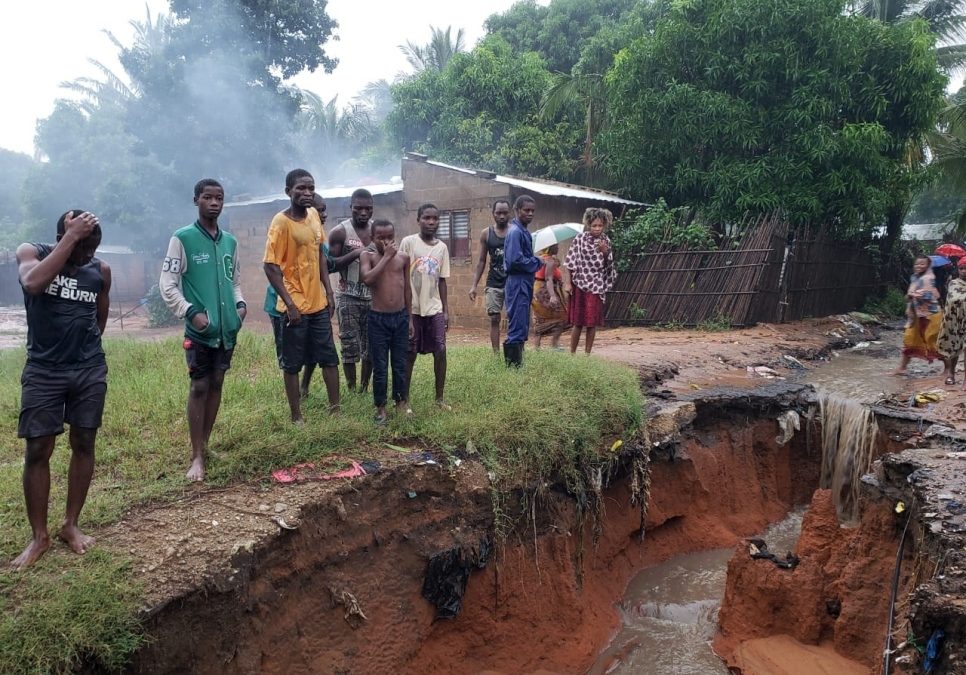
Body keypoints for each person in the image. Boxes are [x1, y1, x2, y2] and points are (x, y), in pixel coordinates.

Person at [12, 209, 111, 569]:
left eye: (92, 249)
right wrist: (71, 239)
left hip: (88, 369)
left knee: (84, 442)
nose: (86, 256)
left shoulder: (99, 271)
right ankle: (39, 536)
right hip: (43, 371)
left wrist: (83, 352)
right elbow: (33, 284)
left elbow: (99, 316)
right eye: (81, 247)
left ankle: (71, 524)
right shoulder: (31, 253)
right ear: (62, 236)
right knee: (38, 447)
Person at [160, 179, 245, 482]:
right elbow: (167, 284)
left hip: (227, 332)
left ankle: (206, 446)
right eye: (207, 197)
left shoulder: (230, 242)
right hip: (200, 333)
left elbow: (234, 281)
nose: (214, 202)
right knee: (199, 386)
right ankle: (196, 456)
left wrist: (240, 307)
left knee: (218, 382)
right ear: (196, 199)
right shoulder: (182, 239)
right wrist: (191, 312)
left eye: (219, 197)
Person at [263, 169, 340, 422]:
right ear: (288, 191)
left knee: (328, 356)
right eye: (301, 188)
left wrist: (328, 291)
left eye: (311, 188)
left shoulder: (315, 215)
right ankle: (297, 416)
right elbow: (271, 266)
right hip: (293, 304)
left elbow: (319, 253)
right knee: (293, 362)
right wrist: (289, 304)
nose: (307, 193)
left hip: (317, 302)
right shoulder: (281, 222)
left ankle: (335, 409)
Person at [400, 203, 451, 409]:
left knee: (440, 352)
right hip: (412, 308)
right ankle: (405, 401)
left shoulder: (442, 248)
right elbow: (401, 275)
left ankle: (439, 399)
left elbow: (442, 280)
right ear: (418, 219)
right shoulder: (408, 243)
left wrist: (446, 310)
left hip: (434, 308)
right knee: (410, 354)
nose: (431, 222)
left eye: (435, 218)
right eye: (426, 218)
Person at [360, 220, 412, 423]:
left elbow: (407, 289)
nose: (386, 241)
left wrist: (410, 319)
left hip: (399, 318)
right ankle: (380, 407)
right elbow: (367, 279)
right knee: (380, 365)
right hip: (377, 319)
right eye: (380, 237)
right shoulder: (368, 256)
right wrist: (386, 257)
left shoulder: (403, 258)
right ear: (372, 238)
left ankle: (400, 402)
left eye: (389, 237)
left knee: (400, 363)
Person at [328, 189, 374, 392]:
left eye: (368, 208)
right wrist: (356, 252)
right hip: (348, 297)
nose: (363, 213)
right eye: (358, 208)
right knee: (349, 343)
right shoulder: (340, 231)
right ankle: (352, 388)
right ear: (351, 207)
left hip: (373, 297)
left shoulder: (377, 230)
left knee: (371, 345)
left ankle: (364, 388)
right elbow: (331, 264)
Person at [565, 207, 618, 355]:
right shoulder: (580, 239)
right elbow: (570, 262)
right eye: (594, 225)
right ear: (588, 224)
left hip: (596, 285)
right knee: (578, 322)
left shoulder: (606, 241)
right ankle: (572, 353)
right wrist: (568, 283)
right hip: (580, 284)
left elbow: (609, 266)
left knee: (591, 322)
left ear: (604, 225)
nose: (597, 229)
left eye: (600, 225)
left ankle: (587, 354)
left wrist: (605, 252)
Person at [503, 194, 543, 367]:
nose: (530, 214)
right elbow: (514, 261)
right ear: (517, 210)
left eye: (532, 211)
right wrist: (538, 261)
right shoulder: (515, 232)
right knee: (517, 326)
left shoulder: (524, 232)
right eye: (526, 210)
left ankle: (518, 364)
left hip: (524, 283)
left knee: (522, 325)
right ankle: (513, 369)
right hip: (517, 283)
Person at [469, 200, 510, 353]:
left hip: (511, 282)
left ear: (509, 213)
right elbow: (481, 261)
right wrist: (474, 285)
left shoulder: (514, 231)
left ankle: (514, 350)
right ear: (493, 214)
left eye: (504, 213)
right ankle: (495, 354)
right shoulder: (486, 233)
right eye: (498, 213)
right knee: (494, 318)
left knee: (513, 317)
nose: (501, 216)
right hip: (494, 282)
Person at [893, 255, 943, 375]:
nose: (919, 266)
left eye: (922, 264)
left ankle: (947, 369)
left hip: (930, 315)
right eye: (917, 264)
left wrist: (914, 295)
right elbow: (909, 296)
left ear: (928, 265)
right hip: (915, 315)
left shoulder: (928, 279)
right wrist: (910, 296)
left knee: (934, 342)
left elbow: (931, 296)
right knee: (909, 340)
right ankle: (902, 368)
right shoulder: (914, 278)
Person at [532, 244, 570, 349]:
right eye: (556, 246)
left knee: (540, 318)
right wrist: (553, 296)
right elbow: (548, 279)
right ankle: (554, 343)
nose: (558, 248)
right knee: (564, 317)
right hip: (546, 292)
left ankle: (537, 347)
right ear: (550, 248)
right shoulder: (549, 261)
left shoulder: (539, 259)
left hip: (536, 291)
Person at [938, 258, 966, 385]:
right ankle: (951, 374)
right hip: (954, 321)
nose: (964, 271)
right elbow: (952, 300)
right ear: (958, 270)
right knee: (953, 349)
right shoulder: (953, 283)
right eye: (961, 268)